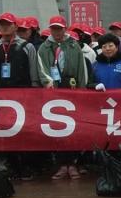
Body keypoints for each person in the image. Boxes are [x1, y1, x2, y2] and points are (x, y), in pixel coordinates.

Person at [39, 16, 90, 180]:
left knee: (72, 127)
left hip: (71, 87)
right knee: (57, 127)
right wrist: (49, 83)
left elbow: (82, 70)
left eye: (59, 28)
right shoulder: (44, 48)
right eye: (54, 28)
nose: (57, 32)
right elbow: (41, 69)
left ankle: (73, 163)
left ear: (65, 29)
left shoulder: (74, 46)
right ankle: (62, 164)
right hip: (53, 89)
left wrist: (82, 90)